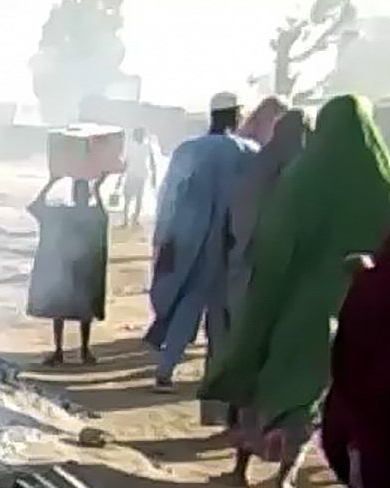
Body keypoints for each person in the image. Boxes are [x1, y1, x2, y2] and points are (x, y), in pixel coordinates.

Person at [201, 94, 390, 488]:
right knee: (311, 391)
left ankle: (240, 468)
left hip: (290, 296)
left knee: (261, 372)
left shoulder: (303, 177)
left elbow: (274, 239)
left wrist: (265, 287)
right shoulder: (385, 181)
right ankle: (284, 480)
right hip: (351, 303)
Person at [202, 105, 310, 428]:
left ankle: (231, 418)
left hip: (239, 273)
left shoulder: (255, 168)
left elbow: (234, 223)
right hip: (273, 278)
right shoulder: (304, 175)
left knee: (237, 345)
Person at [144, 91, 258, 391]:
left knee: (186, 302)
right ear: (237, 116)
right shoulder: (249, 152)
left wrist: (162, 236)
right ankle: (217, 377)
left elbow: (168, 196)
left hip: (187, 239)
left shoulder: (188, 150)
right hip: (229, 241)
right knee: (223, 311)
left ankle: (165, 370)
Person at [321, 232, 390, 488]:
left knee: (368, 482)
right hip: (375, 403)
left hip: (375, 408)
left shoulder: (374, 287)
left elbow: (348, 350)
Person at [28, 176, 110, 365]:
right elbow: (35, 208)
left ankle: (61, 351)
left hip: (68, 268)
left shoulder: (63, 213)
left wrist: (51, 182)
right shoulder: (92, 214)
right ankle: (83, 351)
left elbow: (35, 207)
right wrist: (97, 190)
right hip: (84, 269)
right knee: (80, 311)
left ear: (73, 195)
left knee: (62, 310)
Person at [119, 127, 159, 227]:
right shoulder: (146, 146)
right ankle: (133, 219)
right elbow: (152, 164)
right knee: (137, 198)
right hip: (140, 174)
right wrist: (154, 177)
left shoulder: (132, 146)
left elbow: (126, 163)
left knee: (129, 198)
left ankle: (127, 220)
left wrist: (120, 177)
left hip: (134, 174)